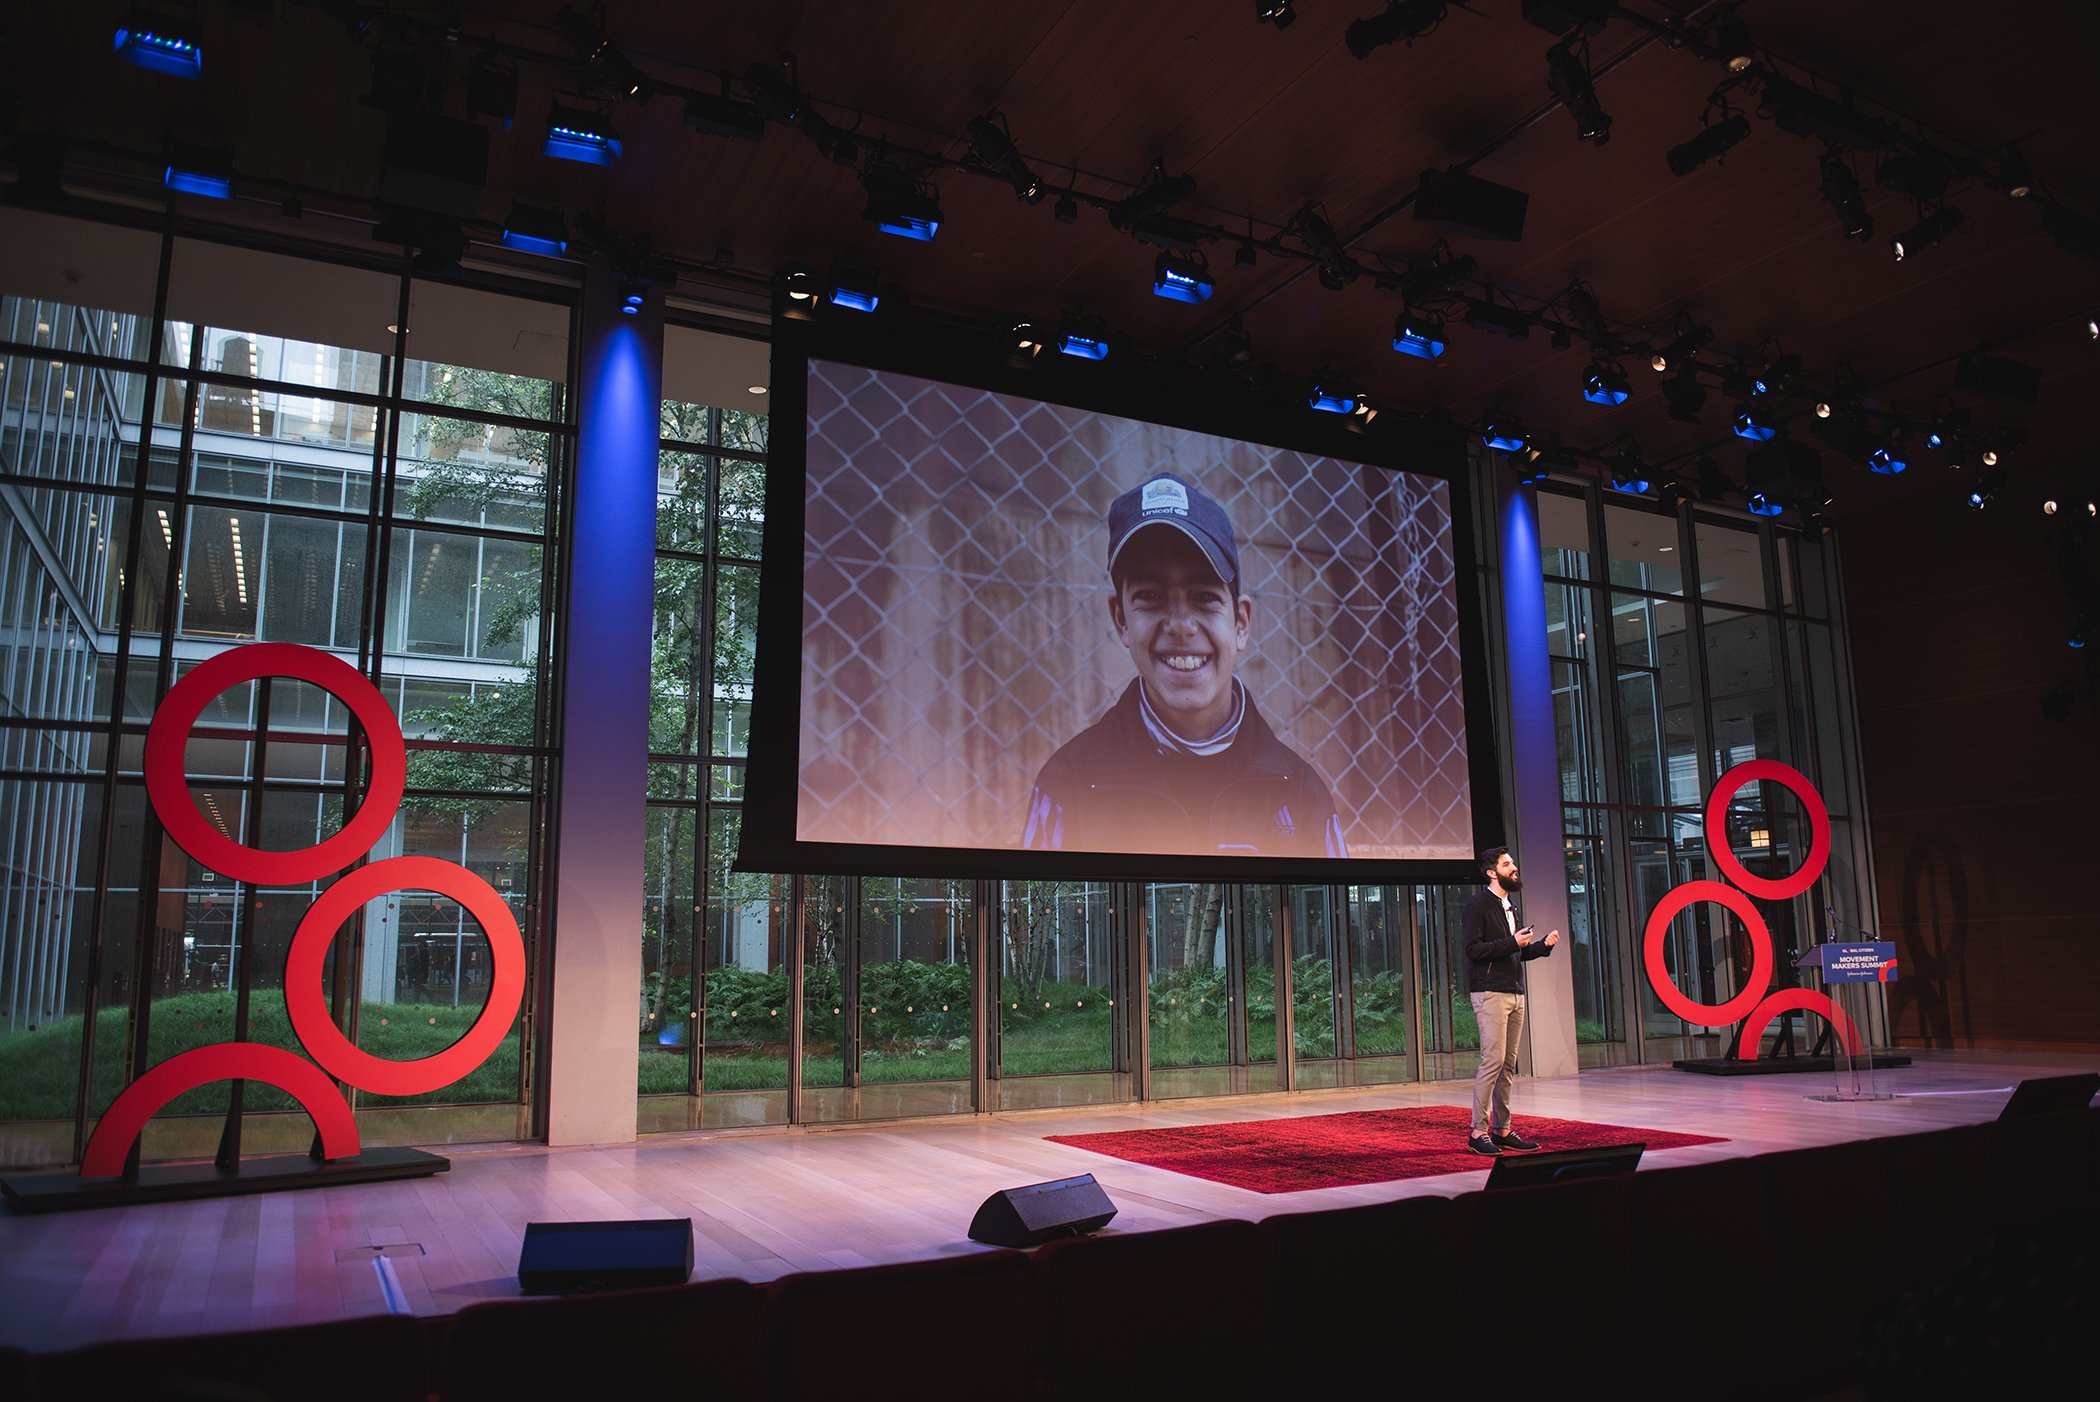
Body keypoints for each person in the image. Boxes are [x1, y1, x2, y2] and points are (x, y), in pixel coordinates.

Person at [1021, 471, 1345, 858]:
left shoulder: (1301, 792)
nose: (1180, 626)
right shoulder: (1067, 786)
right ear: (1121, 620)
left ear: (1241, 622)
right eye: (1151, 596)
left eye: (1205, 596)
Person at [1462, 845, 1561, 1155]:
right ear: (1493, 873)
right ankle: (1478, 1132)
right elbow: (1474, 950)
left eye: (1512, 862)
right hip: (1490, 991)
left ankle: (1502, 1129)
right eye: (1507, 864)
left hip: (1514, 990)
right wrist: (1511, 942)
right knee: (1492, 1062)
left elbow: (1516, 951)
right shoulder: (1478, 905)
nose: (1513, 867)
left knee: (1507, 1065)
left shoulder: (1511, 906)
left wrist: (1542, 945)